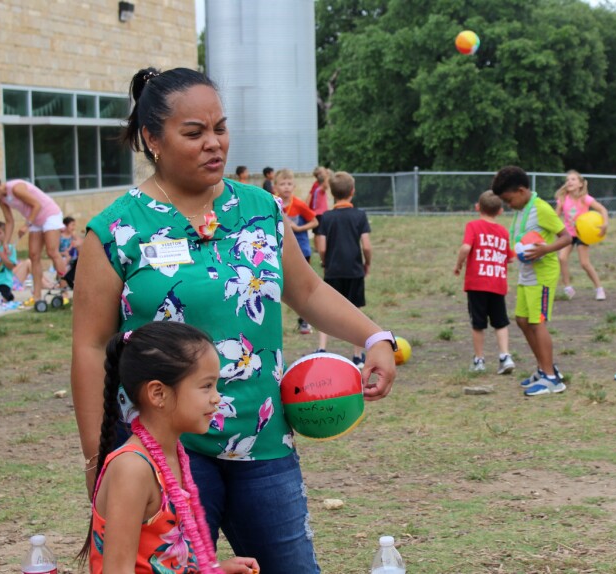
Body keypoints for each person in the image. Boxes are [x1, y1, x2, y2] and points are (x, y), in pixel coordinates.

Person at [71, 67, 397, 574]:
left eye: (220, 128)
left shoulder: (260, 209)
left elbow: (307, 290)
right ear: (153, 140)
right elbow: (90, 347)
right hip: (164, 452)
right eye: (194, 132)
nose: (213, 144)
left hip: (263, 441)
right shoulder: (115, 231)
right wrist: (98, 459)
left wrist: (374, 335)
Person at [78, 322, 260, 574]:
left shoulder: (174, 454)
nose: (217, 397)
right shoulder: (132, 468)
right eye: (206, 386)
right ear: (158, 394)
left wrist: (216, 570)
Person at [491, 166, 571, 396]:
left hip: (543, 275)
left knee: (537, 322)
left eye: (509, 199)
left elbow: (567, 237)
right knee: (522, 320)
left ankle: (552, 379)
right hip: (527, 275)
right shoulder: (521, 210)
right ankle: (544, 368)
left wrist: (545, 249)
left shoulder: (540, 208)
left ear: (522, 190)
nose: (508, 205)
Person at [453, 190, 516, 374]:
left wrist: (459, 264)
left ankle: (479, 360)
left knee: (478, 323)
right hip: (497, 283)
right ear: (500, 211)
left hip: (477, 284)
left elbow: (466, 247)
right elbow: (510, 258)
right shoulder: (503, 232)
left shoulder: (473, 226)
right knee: (501, 322)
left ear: (477, 207)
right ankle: (505, 356)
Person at [314, 171, 372, 368]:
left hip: (333, 271)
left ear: (331, 193)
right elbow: (366, 245)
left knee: (326, 311)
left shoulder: (326, 217)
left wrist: (325, 261)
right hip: (355, 270)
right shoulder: (360, 215)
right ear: (352, 192)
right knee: (355, 311)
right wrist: (368, 262)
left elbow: (321, 246)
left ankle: (322, 350)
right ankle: (357, 356)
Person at [0, 174, 67, 305]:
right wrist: (6, 243)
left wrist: (26, 225)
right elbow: (9, 221)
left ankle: (64, 291)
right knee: (33, 255)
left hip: (49, 214)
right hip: (35, 219)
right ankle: (37, 296)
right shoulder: (1, 200)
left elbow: (37, 205)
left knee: (52, 252)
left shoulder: (15, 188)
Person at [275, 168, 318, 334]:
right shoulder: (273, 204)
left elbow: (314, 222)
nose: (286, 187)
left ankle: (305, 321)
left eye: (289, 184)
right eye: (282, 184)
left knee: (302, 287)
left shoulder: (299, 204)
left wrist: (299, 228)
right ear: (276, 186)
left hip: (301, 251)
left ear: (294, 186)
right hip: (280, 251)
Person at [553, 170, 608, 301]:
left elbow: (602, 209)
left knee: (584, 263)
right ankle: (568, 288)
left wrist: (605, 224)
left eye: (573, 179)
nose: (569, 182)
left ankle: (599, 288)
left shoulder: (585, 199)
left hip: (583, 234)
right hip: (568, 234)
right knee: (562, 258)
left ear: (580, 184)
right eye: (567, 180)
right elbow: (555, 217)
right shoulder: (562, 199)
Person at [0, 219, 18, 302]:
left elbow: (11, 266)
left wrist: (2, 256)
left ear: (6, 234)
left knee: (0, 300)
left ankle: (8, 296)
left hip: (4, 282)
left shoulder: (9, 248)